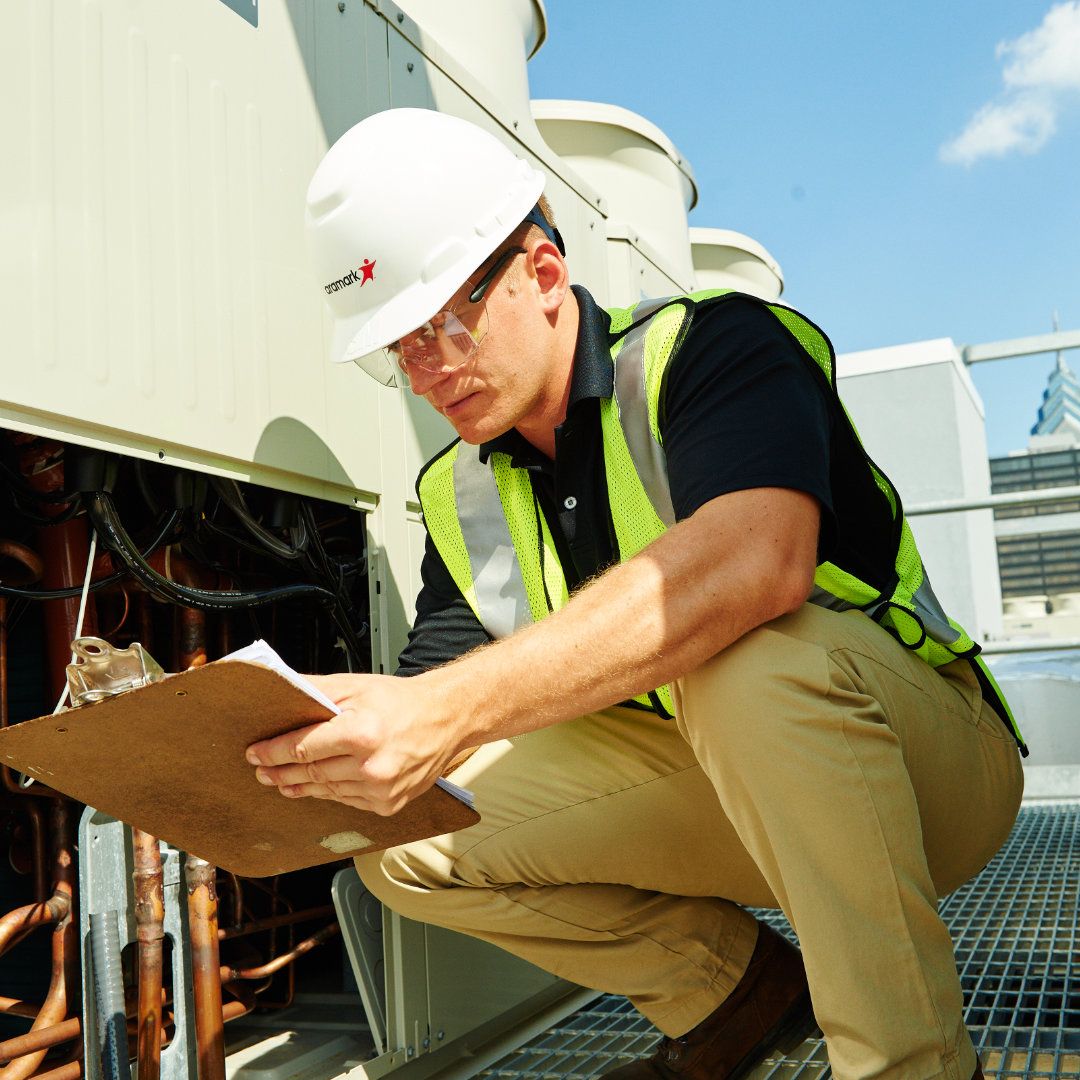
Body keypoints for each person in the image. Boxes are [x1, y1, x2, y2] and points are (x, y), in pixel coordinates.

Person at [246, 108, 1026, 1080]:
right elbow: (443, 687)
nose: (427, 370)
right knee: (410, 843)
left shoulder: (713, 350)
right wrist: (332, 744)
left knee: (747, 660)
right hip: (731, 788)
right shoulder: (459, 489)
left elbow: (758, 563)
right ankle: (734, 993)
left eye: (444, 322)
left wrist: (441, 710)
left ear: (539, 275)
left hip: (927, 773)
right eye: (399, 348)